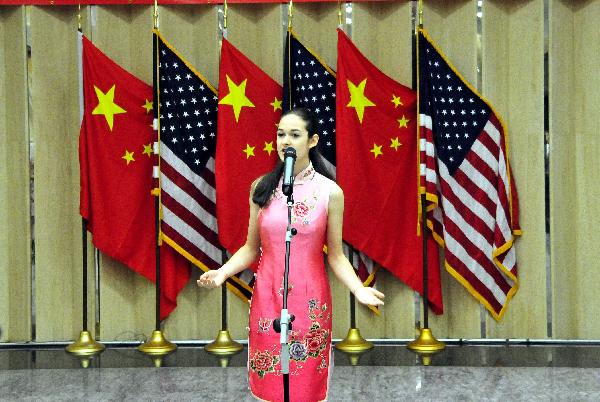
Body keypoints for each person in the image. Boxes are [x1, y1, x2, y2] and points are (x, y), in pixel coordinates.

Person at [197, 107, 384, 402]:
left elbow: (335, 255)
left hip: (310, 301)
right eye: (281, 134)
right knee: (269, 385)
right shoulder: (261, 188)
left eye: (295, 135)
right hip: (267, 297)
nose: (286, 141)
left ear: (312, 141)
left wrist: (359, 289)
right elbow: (250, 248)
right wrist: (222, 273)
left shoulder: (329, 192)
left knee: (306, 386)